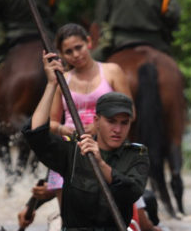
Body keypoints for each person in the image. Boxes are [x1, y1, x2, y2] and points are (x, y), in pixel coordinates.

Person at [20, 52, 158, 231]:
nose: (118, 129)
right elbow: (36, 134)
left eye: (124, 122)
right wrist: (51, 85)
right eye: (111, 121)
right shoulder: (73, 150)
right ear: (96, 121)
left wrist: (101, 164)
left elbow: (131, 190)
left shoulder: (137, 155)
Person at [44, 23, 131, 195]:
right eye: (69, 52)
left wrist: (100, 127)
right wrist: (64, 129)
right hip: (71, 146)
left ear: (89, 42)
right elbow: (51, 123)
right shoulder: (62, 80)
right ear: (61, 55)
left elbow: (130, 112)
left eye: (79, 47)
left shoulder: (112, 71)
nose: (76, 55)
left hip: (107, 143)